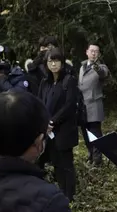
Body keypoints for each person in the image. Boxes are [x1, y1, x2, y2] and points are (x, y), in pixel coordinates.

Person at [37, 48, 79, 202]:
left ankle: (70, 195)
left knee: (66, 163)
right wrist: (44, 122)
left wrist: (52, 122)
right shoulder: (44, 82)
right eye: (50, 61)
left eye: (56, 61)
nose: (54, 64)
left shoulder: (69, 80)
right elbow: (40, 102)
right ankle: (62, 192)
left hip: (64, 129)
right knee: (56, 163)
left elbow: (69, 105)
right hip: (49, 130)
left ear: (62, 62)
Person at [79, 42, 110, 166]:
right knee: (85, 132)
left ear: (99, 54)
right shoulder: (82, 67)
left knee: (95, 132)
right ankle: (91, 154)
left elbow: (103, 74)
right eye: (91, 50)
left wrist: (96, 65)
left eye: (96, 51)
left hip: (94, 105)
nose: (93, 53)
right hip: (82, 105)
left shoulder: (101, 67)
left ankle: (98, 159)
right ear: (86, 52)